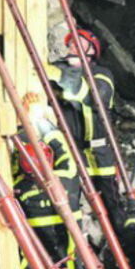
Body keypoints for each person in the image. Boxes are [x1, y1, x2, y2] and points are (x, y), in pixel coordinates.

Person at [48, 28, 122, 216]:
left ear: (92, 50)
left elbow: (95, 96)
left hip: (100, 153)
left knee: (111, 209)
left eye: (79, 43)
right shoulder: (58, 69)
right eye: (71, 43)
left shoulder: (101, 74)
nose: (73, 46)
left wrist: (58, 77)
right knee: (68, 203)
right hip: (71, 152)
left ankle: (122, 240)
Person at [13, 127, 84, 269]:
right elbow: (63, 149)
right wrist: (37, 124)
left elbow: (12, 168)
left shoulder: (19, 189)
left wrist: (18, 141)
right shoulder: (67, 181)